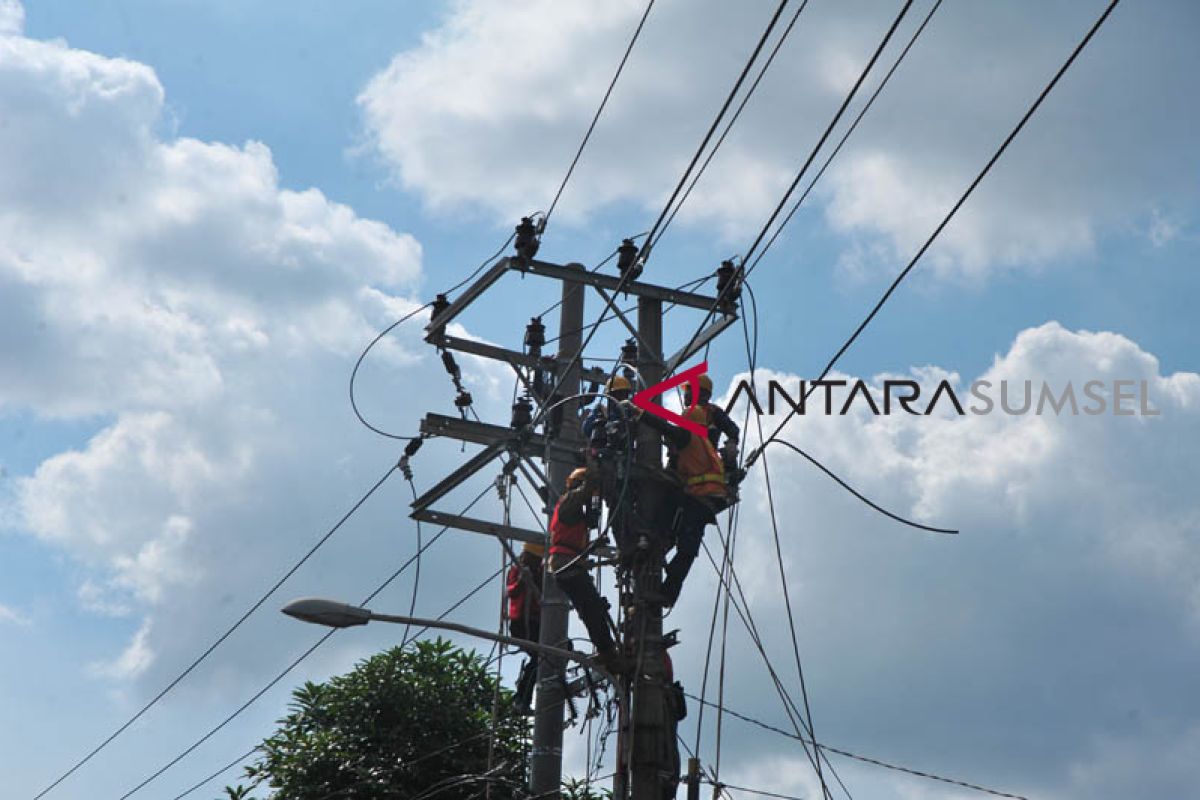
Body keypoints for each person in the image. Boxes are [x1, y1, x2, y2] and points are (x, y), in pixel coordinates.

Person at [637, 403, 732, 606]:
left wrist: (639, 413)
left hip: (701, 499)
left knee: (685, 547)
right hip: (706, 499)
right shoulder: (704, 442)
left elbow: (666, 429)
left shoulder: (689, 436)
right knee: (674, 507)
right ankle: (661, 543)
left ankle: (666, 589)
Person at [549, 465, 619, 668]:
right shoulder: (570, 500)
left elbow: (572, 541)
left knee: (590, 608)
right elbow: (585, 490)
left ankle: (606, 649)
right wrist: (594, 471)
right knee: (592, 609)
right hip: (566, 565)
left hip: (568, 564)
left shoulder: (574, 511)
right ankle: (607, 651)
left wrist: (592, 546)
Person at [505, 542, 544, 712]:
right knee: (539, 658)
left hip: (537, 624)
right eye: (533, 559)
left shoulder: (542, 573)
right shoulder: (516, 570)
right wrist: (522, 581)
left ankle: (553, 686)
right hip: (521, 624)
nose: (535, 563)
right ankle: (522, 699)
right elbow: (511, 591)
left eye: (538, 560)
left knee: (562, 648)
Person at [683, 373, 741, 477]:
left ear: (705, 395)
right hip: (687, 463)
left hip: (708, 462)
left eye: (690, 390)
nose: (686, 394)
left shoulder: (714, 412)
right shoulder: (686, 415)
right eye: (687, 390)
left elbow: (732, 430)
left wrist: (731, 445)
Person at [582, 375, 634, 444]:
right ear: (609, 396)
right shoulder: (601, 411)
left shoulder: (630, 412)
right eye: (618, 393)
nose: (621, 397)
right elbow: (586, 429)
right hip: (604, 449)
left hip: (625, 451)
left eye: (624, 393)